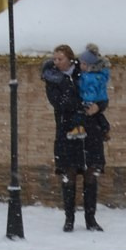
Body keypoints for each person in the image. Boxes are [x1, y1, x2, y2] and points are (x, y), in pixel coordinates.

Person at [41, 44, 105, 232]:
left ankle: (90, 219)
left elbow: (100, 94)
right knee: (68, 177)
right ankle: (69, 219)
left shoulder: (84, 72)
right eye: (55, 59)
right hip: (67, 131)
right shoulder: (52, 79)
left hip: (90, 131)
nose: (56, 62)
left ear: (70, 58)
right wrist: (79, 102)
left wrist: (98, 107)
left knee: (91, 176)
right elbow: (59, 103)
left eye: (60, 58)